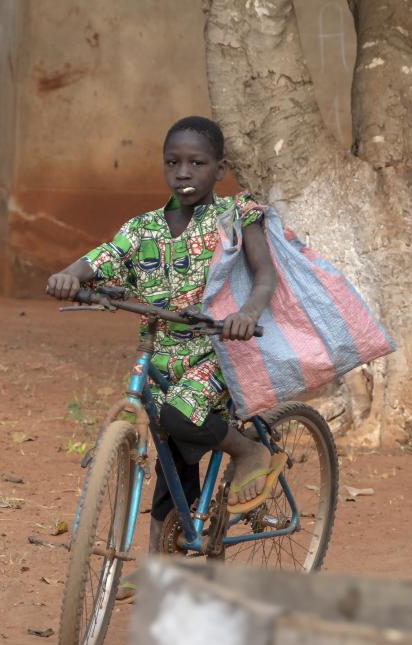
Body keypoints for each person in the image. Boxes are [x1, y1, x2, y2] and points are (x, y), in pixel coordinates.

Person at [44, 116, 278, 560]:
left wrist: (246, 314)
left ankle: (247, 451)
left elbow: (265, 274)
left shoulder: (234, 216)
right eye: (173, 162)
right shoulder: (142, 229)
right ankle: (161, 560)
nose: (183, 172)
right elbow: (104, 257)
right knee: (169, 456)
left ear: (219, 169)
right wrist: (67, 276)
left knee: (178, 417)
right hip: (160, 352)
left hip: (217, 348)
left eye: (196, 162)